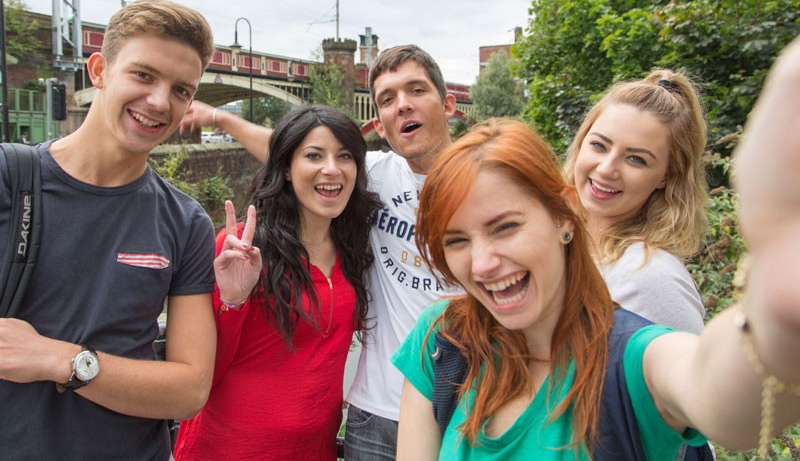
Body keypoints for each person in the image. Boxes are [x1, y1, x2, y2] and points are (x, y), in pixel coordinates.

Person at [392, 36, 800, 460]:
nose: (483, 263)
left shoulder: (629, 356)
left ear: (565, 218)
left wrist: (777, 311)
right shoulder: (442, 341)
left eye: (506, 227)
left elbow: (715, 393)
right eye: (456, 239)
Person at [179, 44, 459, 459]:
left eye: (416, 90)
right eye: (387, 99)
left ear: (448, 103)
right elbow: (296, 149)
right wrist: (222, 118)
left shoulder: (483, 183)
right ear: (379, 125)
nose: (403, 106)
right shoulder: (374, 175)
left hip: (463, 404)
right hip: (372, 416)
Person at [0, 0, 218, 460]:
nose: (160, 102)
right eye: (143, 76)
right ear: (99, 69)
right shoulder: (9, 180)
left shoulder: (185, 221)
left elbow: (190, 389)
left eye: (181, 90)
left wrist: (59, 360)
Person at [173, 105, 381, 460]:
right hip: (228, 448)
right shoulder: (241, 248)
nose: (331, 168)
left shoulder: (355, 250)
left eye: (344, 156)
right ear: (286, 168)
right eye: (313, 156)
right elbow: (202, 375)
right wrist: (233, 301)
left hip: (314, 451)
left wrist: (222, 119)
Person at [564, 69, 707, 334]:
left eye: (636, 159)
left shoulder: (652, 277)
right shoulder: (549, 241)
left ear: (666, 176)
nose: (607, 168)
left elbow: (700, 375)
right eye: (599, 145)